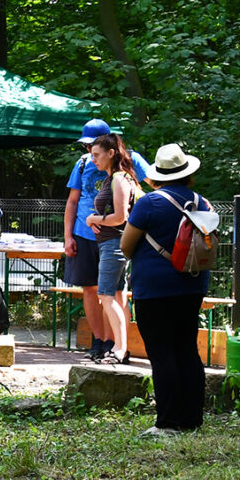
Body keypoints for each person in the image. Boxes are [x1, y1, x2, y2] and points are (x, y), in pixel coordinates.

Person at [121, 144, 211, 436]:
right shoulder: (202, 202)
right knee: (186, 348)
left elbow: (125, 246)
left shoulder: (149, 203)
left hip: (154, 288)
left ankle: (168, 422)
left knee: (161, 352)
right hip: (192, 284)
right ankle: (192, 418)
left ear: (158, 174)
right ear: (187, 173)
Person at [65, 119, 152, 361]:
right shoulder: (88, 166)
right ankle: (101, 343)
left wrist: (96, 219)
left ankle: (117, 346)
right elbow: (72, 201)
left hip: (114, 238)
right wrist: (69, 235)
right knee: (97, 291)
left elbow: (148, 191)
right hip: (88, 236)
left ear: (109, 147)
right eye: (87, 149)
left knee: (111, 293)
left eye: (93, 148)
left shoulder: (122, 172)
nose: (89, 154)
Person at [86, 134, 141, 364]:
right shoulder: (121, 177)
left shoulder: (119, 179)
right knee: (118, 296)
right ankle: (122, 349)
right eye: (91, 156)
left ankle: (119, 348)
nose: (93, 160)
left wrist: (93, 219)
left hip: (113, 246)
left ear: (111, 153)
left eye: (97, 155)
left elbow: (121, 217)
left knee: (105, 296)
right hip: (115, 245)